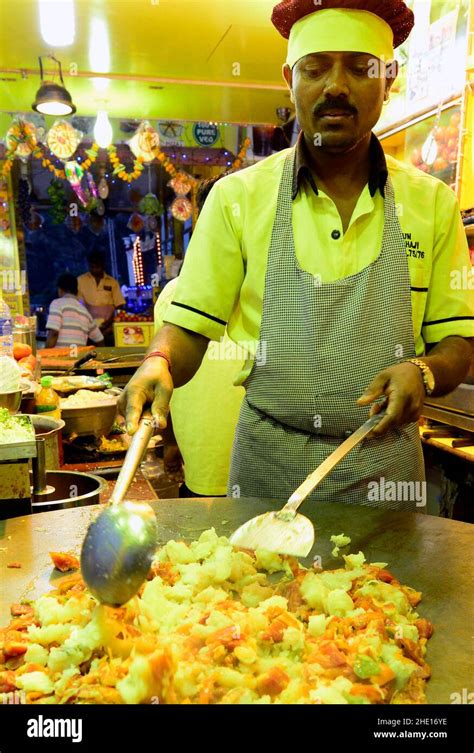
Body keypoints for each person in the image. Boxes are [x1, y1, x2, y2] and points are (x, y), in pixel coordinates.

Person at [119, 0, 474, 512]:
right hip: (267, 465)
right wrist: (159, 363)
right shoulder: (238, 198)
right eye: (315, 68)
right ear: (290, 79)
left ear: (389, 77)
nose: (336, 85)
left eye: (359, 68)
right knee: (254, 589)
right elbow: (192, 328)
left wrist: (424, 371)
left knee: (390, 592)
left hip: (387, 470)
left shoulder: (432, 204)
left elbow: (458, 341)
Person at [154, 173, 245, 498]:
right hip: (252, 478)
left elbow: (163, 386)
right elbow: (164, 380)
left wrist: (170, 444)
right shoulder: (274, 292)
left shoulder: (172, 294)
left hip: (260, 471)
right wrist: (171, 443)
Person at [78, 250, 125, 346]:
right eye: (92, 267)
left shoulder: (112, 282)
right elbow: (78, 306)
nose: (95, 270)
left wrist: (109, 323)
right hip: (87, 329)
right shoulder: (80, 281)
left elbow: (119, 306)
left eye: (98, 267)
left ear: (103, 265)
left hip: (108, 329)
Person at [45, 273, 104, 349]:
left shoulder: (57, 304)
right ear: (76, 291)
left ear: (60, 290)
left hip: (59, 357)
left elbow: (54, 332)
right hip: (79, 359)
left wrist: (45, 353)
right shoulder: (84, 311)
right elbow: (100, 339)